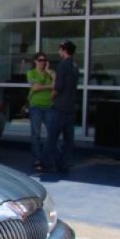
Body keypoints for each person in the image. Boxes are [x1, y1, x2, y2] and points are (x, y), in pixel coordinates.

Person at [38, 40, 79, 173]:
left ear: (64, 50)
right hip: (70, 107)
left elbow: (58, 87)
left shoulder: (62, 66)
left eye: (60, 49)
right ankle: (65, 163)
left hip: (60, 107)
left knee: (52, 137)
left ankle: (47, 164)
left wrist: (52, 98)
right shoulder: (75, 66)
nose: (58, 51)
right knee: (68, 139)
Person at [26, 52, 54, 167]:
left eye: (44, 60)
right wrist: (48, 86)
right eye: (40, 60)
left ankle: (50, 157)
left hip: (49, 106)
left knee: (52, 133)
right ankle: (37, 159)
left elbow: (56, 84)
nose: (43, 62)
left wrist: (48, 71)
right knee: (36, 134)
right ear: (35, 61)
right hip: (36, 106)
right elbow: (35, 87)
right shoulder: (31, 73)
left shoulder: (49, 73)